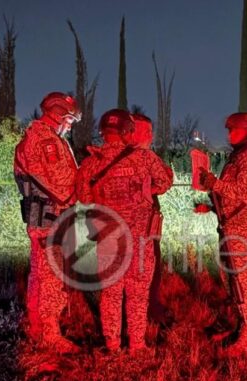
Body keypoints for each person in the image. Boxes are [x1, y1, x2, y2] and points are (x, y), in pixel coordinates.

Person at [76, 109, 173, 353]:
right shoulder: (144, 157)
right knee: (138, 294)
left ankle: (112, 344)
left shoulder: (91, 162)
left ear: (103, 132)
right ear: (128, 131)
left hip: (108, 240)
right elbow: (164, 183)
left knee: (110, 293)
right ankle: (137, 345)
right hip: (140, 240)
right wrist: (142, 192)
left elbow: (84, 197)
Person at [197, 112, 247, 356]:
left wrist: (213, 183)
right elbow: (232, 197)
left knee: (245, 285)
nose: (230, 134)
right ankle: (241, 329)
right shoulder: (238, 156)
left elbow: (242, 193)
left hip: (245, 231)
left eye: (234, 130)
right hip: (231, 227)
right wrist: (211, 206)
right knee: (233, 283)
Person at [14, 92, 82, 353]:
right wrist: (85, 182)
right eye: (69, 120)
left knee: (40, 276)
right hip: (50, 220)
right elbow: (62, 185)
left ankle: (35, 328)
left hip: (44, 219)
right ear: (58, 114)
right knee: (51, 279)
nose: (70, 126)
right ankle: (50, 336)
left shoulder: (38, 138)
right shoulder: (45, 142)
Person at [130, 113, 174, 327]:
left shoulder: (112, 156)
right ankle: (149, 311)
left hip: (116, 229)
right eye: (146, 131)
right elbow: (165, 181)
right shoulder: (146, 157)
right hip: (143, 226)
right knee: (149, 270)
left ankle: (125, 315)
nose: (150, 135)